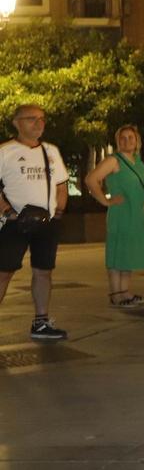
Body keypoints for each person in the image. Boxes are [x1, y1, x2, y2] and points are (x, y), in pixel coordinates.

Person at [0, 104, 69, 340]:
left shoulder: (51, 151)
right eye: (32, 119)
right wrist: (8, 211)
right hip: (14, 223)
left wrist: (58, 212)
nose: (39, 123)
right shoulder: (5, 151)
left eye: (42, 119)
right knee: (4, 272)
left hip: (46, 223)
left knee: (43, 272)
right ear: (16, 123)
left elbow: (61, 185)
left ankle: (41, 322)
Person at [84, 125, 144, 308]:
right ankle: (116, 294)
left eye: (131, 138)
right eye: (123, 138)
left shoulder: (138, 162)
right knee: (118, 251)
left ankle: (125, 291)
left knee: (129, 253)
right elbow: (91, 179)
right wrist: (104, 200)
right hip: (122, 212)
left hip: (137, 213)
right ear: (118, 141)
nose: (127, 141)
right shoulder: (113, 160)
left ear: (137, 141)